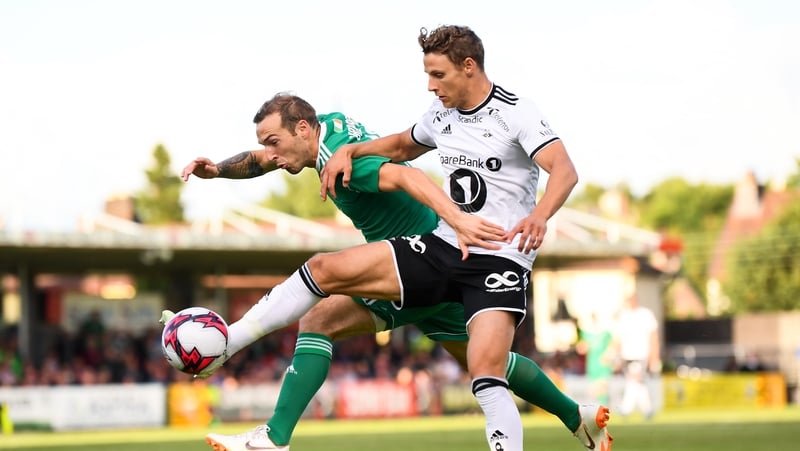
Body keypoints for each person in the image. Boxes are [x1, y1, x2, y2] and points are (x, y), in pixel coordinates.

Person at [180, 93, 612, 451]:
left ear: (302, 130)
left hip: (420, 262)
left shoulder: (345, 163)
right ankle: (578, 416)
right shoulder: (325, 129)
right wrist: (218, 170)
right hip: (432, 266)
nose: (271, 155)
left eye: (275, 142)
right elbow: (261, 159)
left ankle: (267, 424)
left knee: (319, 314)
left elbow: (413, 180)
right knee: (485, 362)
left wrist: (456, 220)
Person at [312, 24, 608, 450]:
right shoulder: (440, 116)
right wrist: (350, 150)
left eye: (438, 75)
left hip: (503, 255)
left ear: (468, 67)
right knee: (480, 363)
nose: (430, 86)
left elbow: (564, 170)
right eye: (428, 76)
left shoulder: (517, 111)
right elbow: (399, 146)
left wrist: (540, 216)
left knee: (485, 367)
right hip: (452, 249)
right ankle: (574, 415)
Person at [613, 294, 661, 419]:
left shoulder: (645, 315)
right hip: (627, 355)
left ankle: (626, 409)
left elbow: (653, 336)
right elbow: (618, 338)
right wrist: (617, 356)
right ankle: (648, 409)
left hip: (641, 354)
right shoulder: (623, 316)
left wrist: (654, 356)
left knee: (634, 380)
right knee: (638, 382)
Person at [576, 312, 614, 405]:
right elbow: (582, 348)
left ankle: (604, 406)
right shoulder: (587, 334)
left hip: (603, 363)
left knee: (603, 385)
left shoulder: (605, 333)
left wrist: (608, 355)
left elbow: (612, 345)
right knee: (594, 387)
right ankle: (595, 407)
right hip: (592, 363)